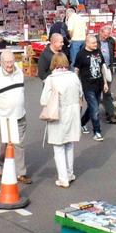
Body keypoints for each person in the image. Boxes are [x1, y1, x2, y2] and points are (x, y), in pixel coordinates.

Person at [41, 53, 83, 188]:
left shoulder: (51, 79)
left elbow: (44, 100)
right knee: (69, 144)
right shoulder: (73, 76)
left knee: (58, 147)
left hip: (58, 114)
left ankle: (63, 178)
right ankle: (70, 174)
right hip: (73, 113)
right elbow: (80, 93)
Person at [0, 50, 30, 184]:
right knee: (0, 146)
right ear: (0, 63)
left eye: (11, 61)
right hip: (2, 116)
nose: (9, 64)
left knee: (19, 145)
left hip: (19, 115)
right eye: (6, 62)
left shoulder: (19, 72)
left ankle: (20, 173)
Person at [75, 34, 108, 141]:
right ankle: (97, 132)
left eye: (96, 42)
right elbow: (76, 70)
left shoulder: (98, 52)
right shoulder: (81, 55)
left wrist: (105, 83)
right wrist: (76, 84)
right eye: (93, 43)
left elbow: (102, 67)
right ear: (87, 43)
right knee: (95, 108)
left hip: (99, 84)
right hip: (87, 85)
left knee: (92, 107)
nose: (96, 44)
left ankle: (82, 122)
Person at [97, 25, 116, 124]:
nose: (107, 37)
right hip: (97, 69)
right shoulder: (95, 41)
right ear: (100, 32)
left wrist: (111, 65)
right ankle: (93, 115)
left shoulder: (111, 41)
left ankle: (110, 115)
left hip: (108, 68)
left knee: (107, 92)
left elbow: (112, 52)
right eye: (105, 35)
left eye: (108, 35)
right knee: (96, 93)